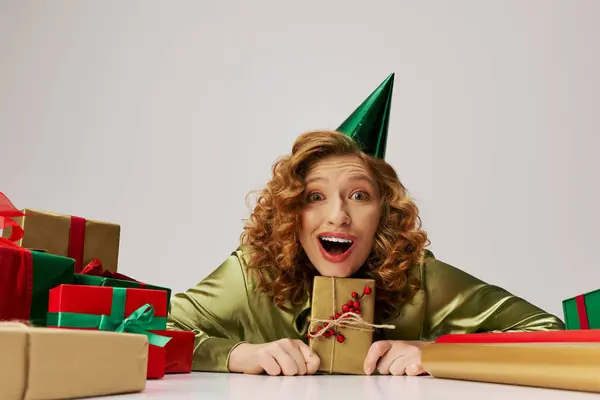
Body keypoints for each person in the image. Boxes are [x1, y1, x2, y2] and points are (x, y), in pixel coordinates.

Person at [166, 73, 564, 377]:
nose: (338, 215)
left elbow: (550, 333)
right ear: (292, 212)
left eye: (359, 196)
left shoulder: (419, 279)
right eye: (315, 197)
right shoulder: (253, 275)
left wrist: (438, 353)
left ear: (384, 213)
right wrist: (237, 354)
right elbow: (145, 330)